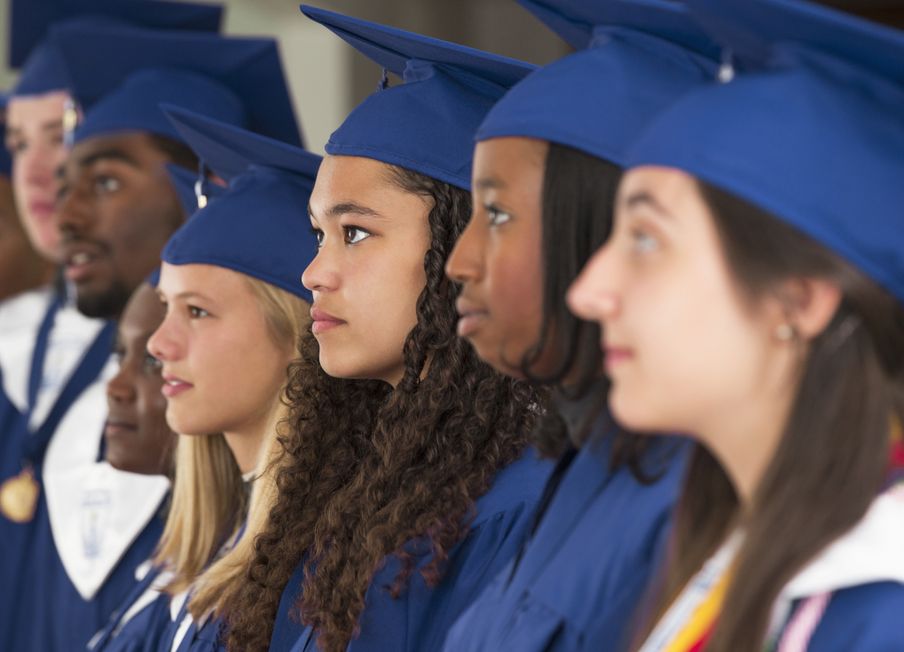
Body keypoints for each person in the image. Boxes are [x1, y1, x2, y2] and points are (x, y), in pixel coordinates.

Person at [207, 8, 553, 652]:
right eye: (319, 234)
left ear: (464, 243)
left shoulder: (516, 507)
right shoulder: (350, 492)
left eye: (355, 233)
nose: (313, 272)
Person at [567, 0, 904, 649]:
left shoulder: (881, 611)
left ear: (799, 301)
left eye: (644, 239)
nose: (588, 292)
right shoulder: (743, 556)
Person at [442, 1, 716, 649]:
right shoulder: (578, 468)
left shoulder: (687, 504)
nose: (459, 261)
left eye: (498, 216)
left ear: (598, 228)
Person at [140, 105, 321, 652]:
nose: (157, 344)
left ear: (296, 335)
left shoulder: (311, 576)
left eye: (197, 311)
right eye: (166, 308)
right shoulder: (203, 553)